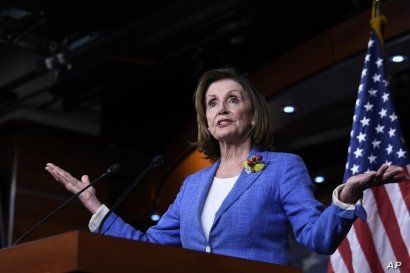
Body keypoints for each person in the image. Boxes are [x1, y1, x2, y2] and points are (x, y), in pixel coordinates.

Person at [45, 68, 407, 266]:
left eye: (233, 99)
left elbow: (317, 237)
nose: (221, 108)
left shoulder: (281, 168)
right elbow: (149, 247)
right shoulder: (192, 185)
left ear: (251, 115)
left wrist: (345, 196)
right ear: (206, 118)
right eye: (213, 103)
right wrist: (94, 205)